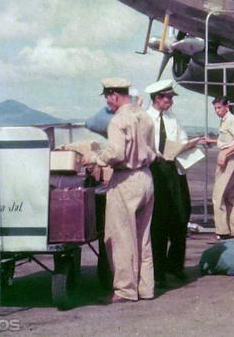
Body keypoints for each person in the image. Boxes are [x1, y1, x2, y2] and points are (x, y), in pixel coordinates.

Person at [88, 78, 156, 304]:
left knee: (120, 237)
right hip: (146, 176)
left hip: (125, 179)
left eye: (108, 97)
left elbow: (116, 152)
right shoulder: (145, 117)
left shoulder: (118, 121)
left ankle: (125, 289)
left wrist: (97, 158)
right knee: (143, 236)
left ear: (114, 95)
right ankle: (146, 287)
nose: (108, 102)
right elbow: (153, 149)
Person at [145, 79, 202, 288]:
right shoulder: (145, 119)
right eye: (168, 97)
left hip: (175, 172)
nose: (171, 102)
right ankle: (158, 272)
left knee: (180, 217)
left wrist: (189, 145)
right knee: (158, 223)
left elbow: (181, 141)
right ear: (157, 98)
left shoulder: (173, 119)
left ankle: (175, 266)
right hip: (155, 171)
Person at [203, 97, 234, 241]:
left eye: (219, 108)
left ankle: (222, 231)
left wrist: (225, 153)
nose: (217, 111)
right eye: (215, 108)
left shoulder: (231, 120)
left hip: (230, 158)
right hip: (229, 156)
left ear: (227, 106)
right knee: (230, 197)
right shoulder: (225, 120)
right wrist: (213, 141)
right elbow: (228, 140)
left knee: (218, 196)